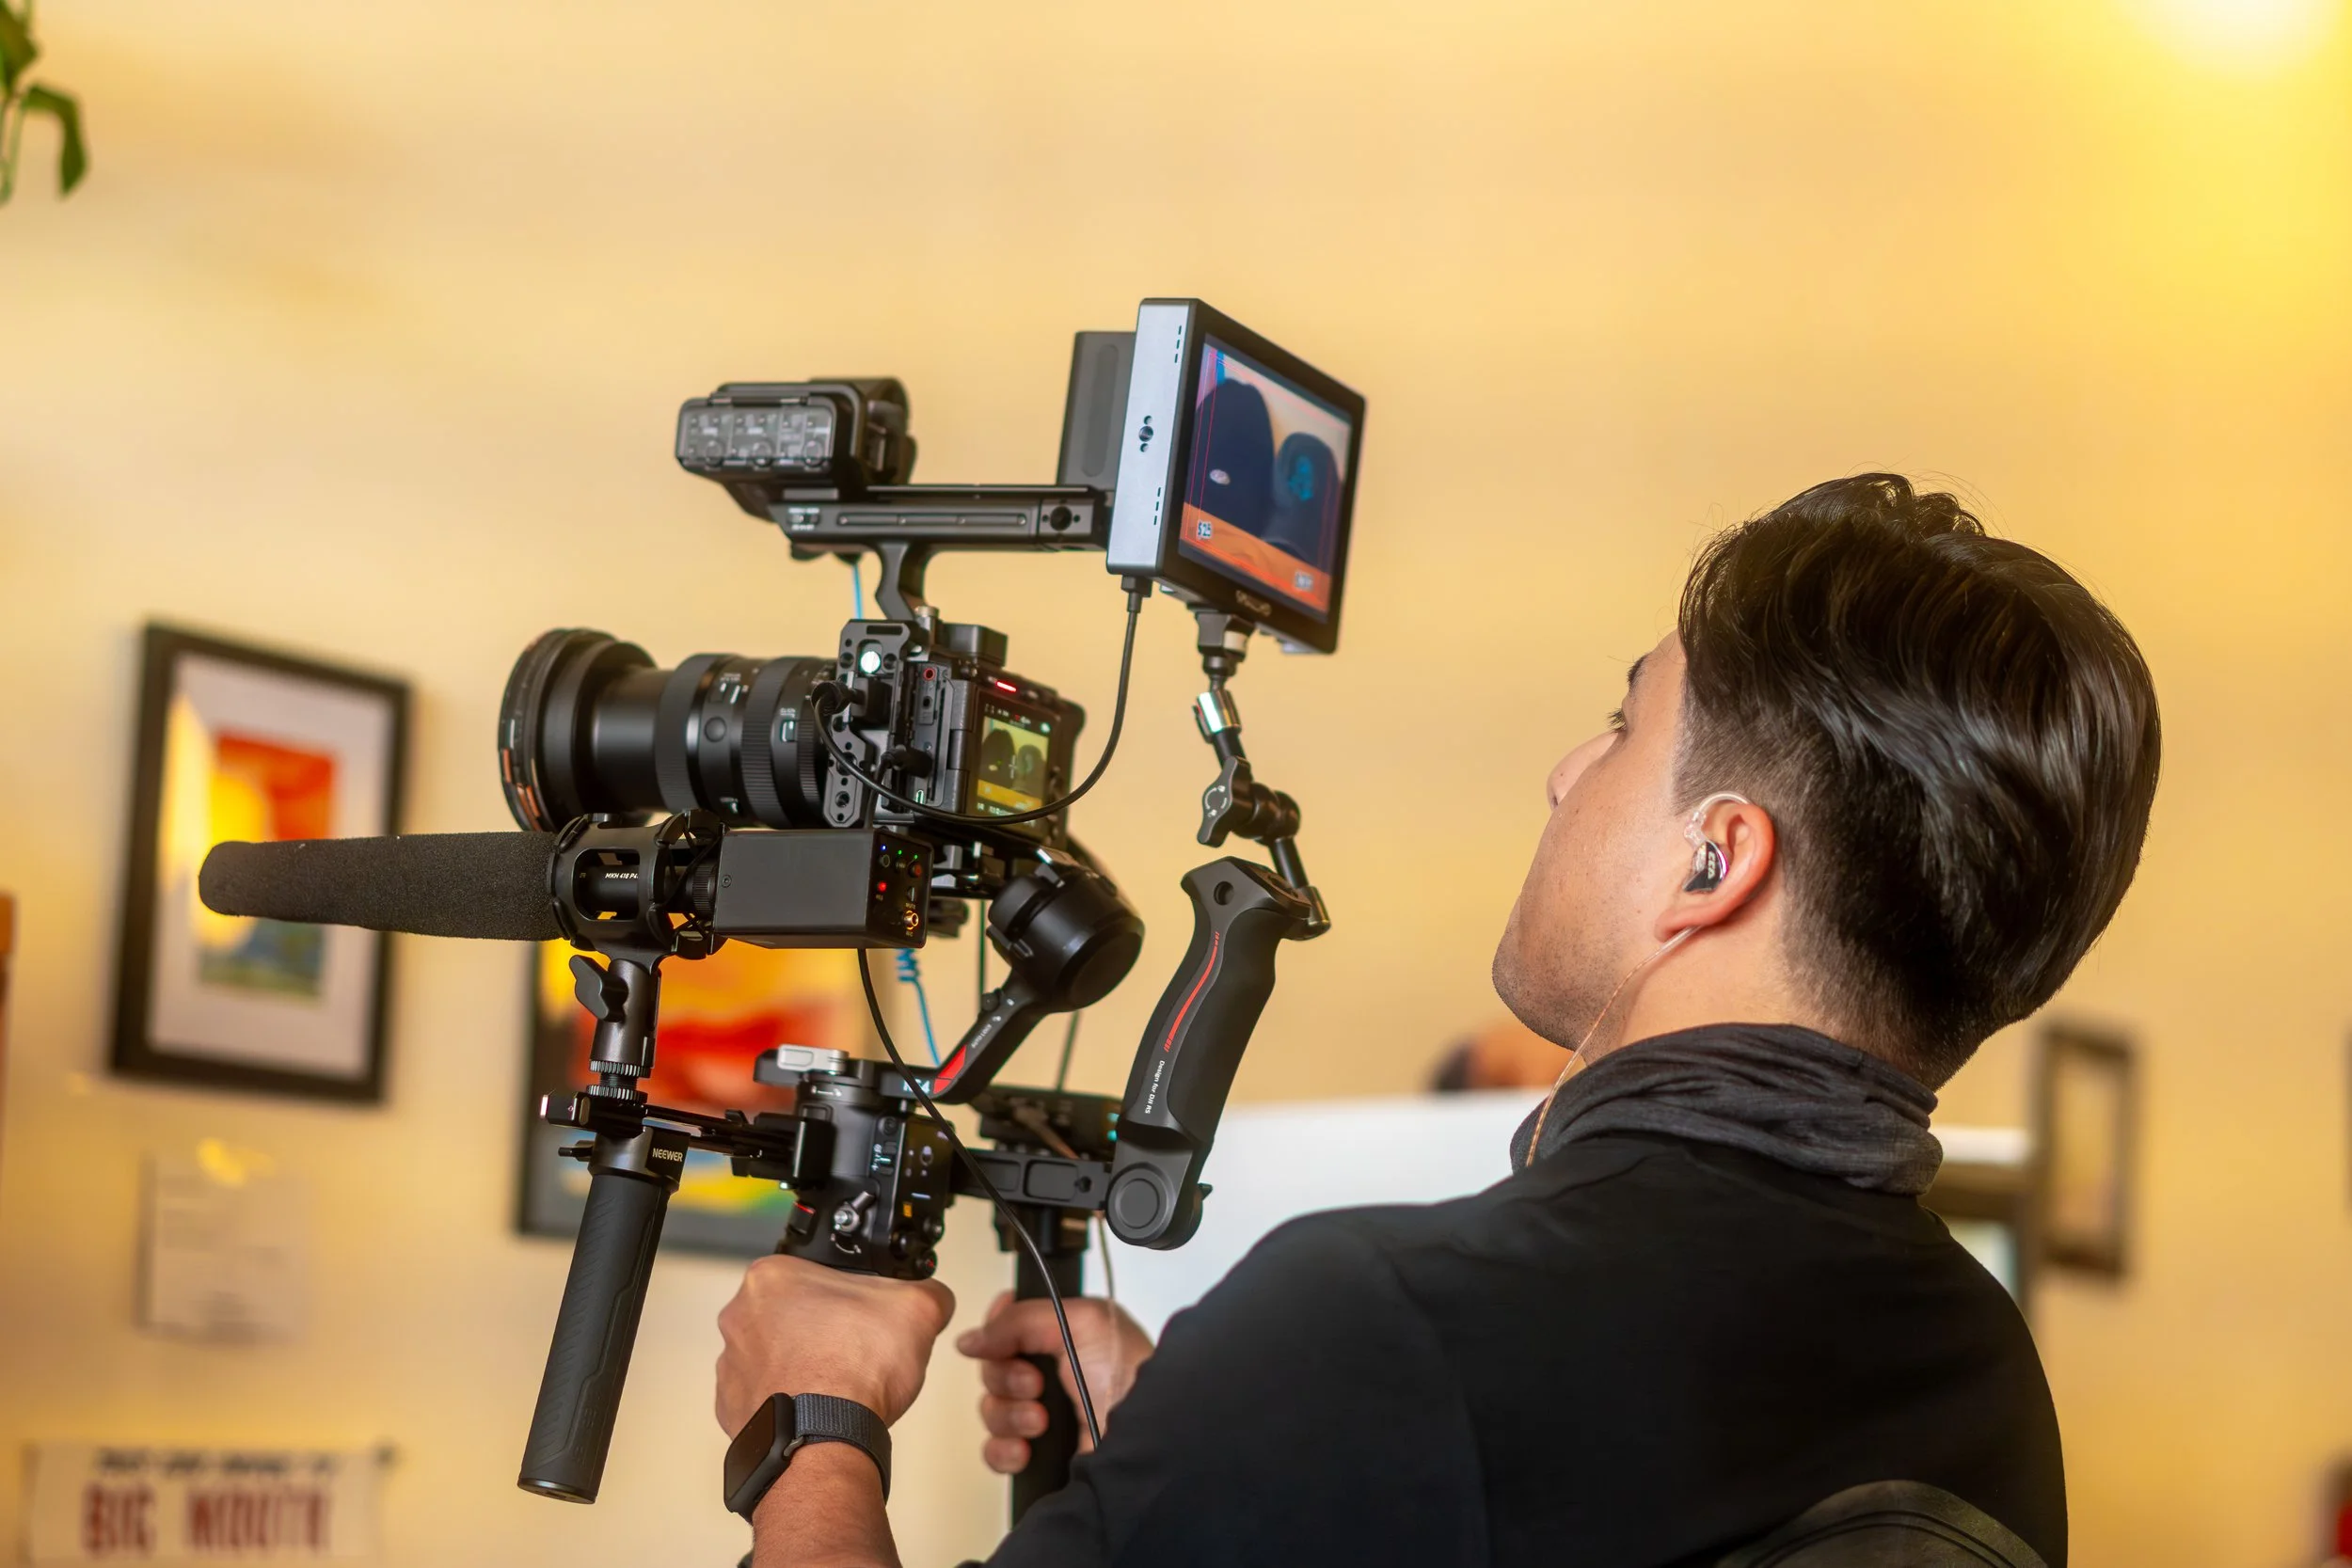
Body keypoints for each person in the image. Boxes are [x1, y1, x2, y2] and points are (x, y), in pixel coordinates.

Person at [712, 474, 2161, 1567]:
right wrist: (1233, 1452)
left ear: (1713, 859)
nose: (1562, 771)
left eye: (1623, 719)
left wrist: (815, 1421)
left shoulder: (1389, 1328)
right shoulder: (1982, 1364)